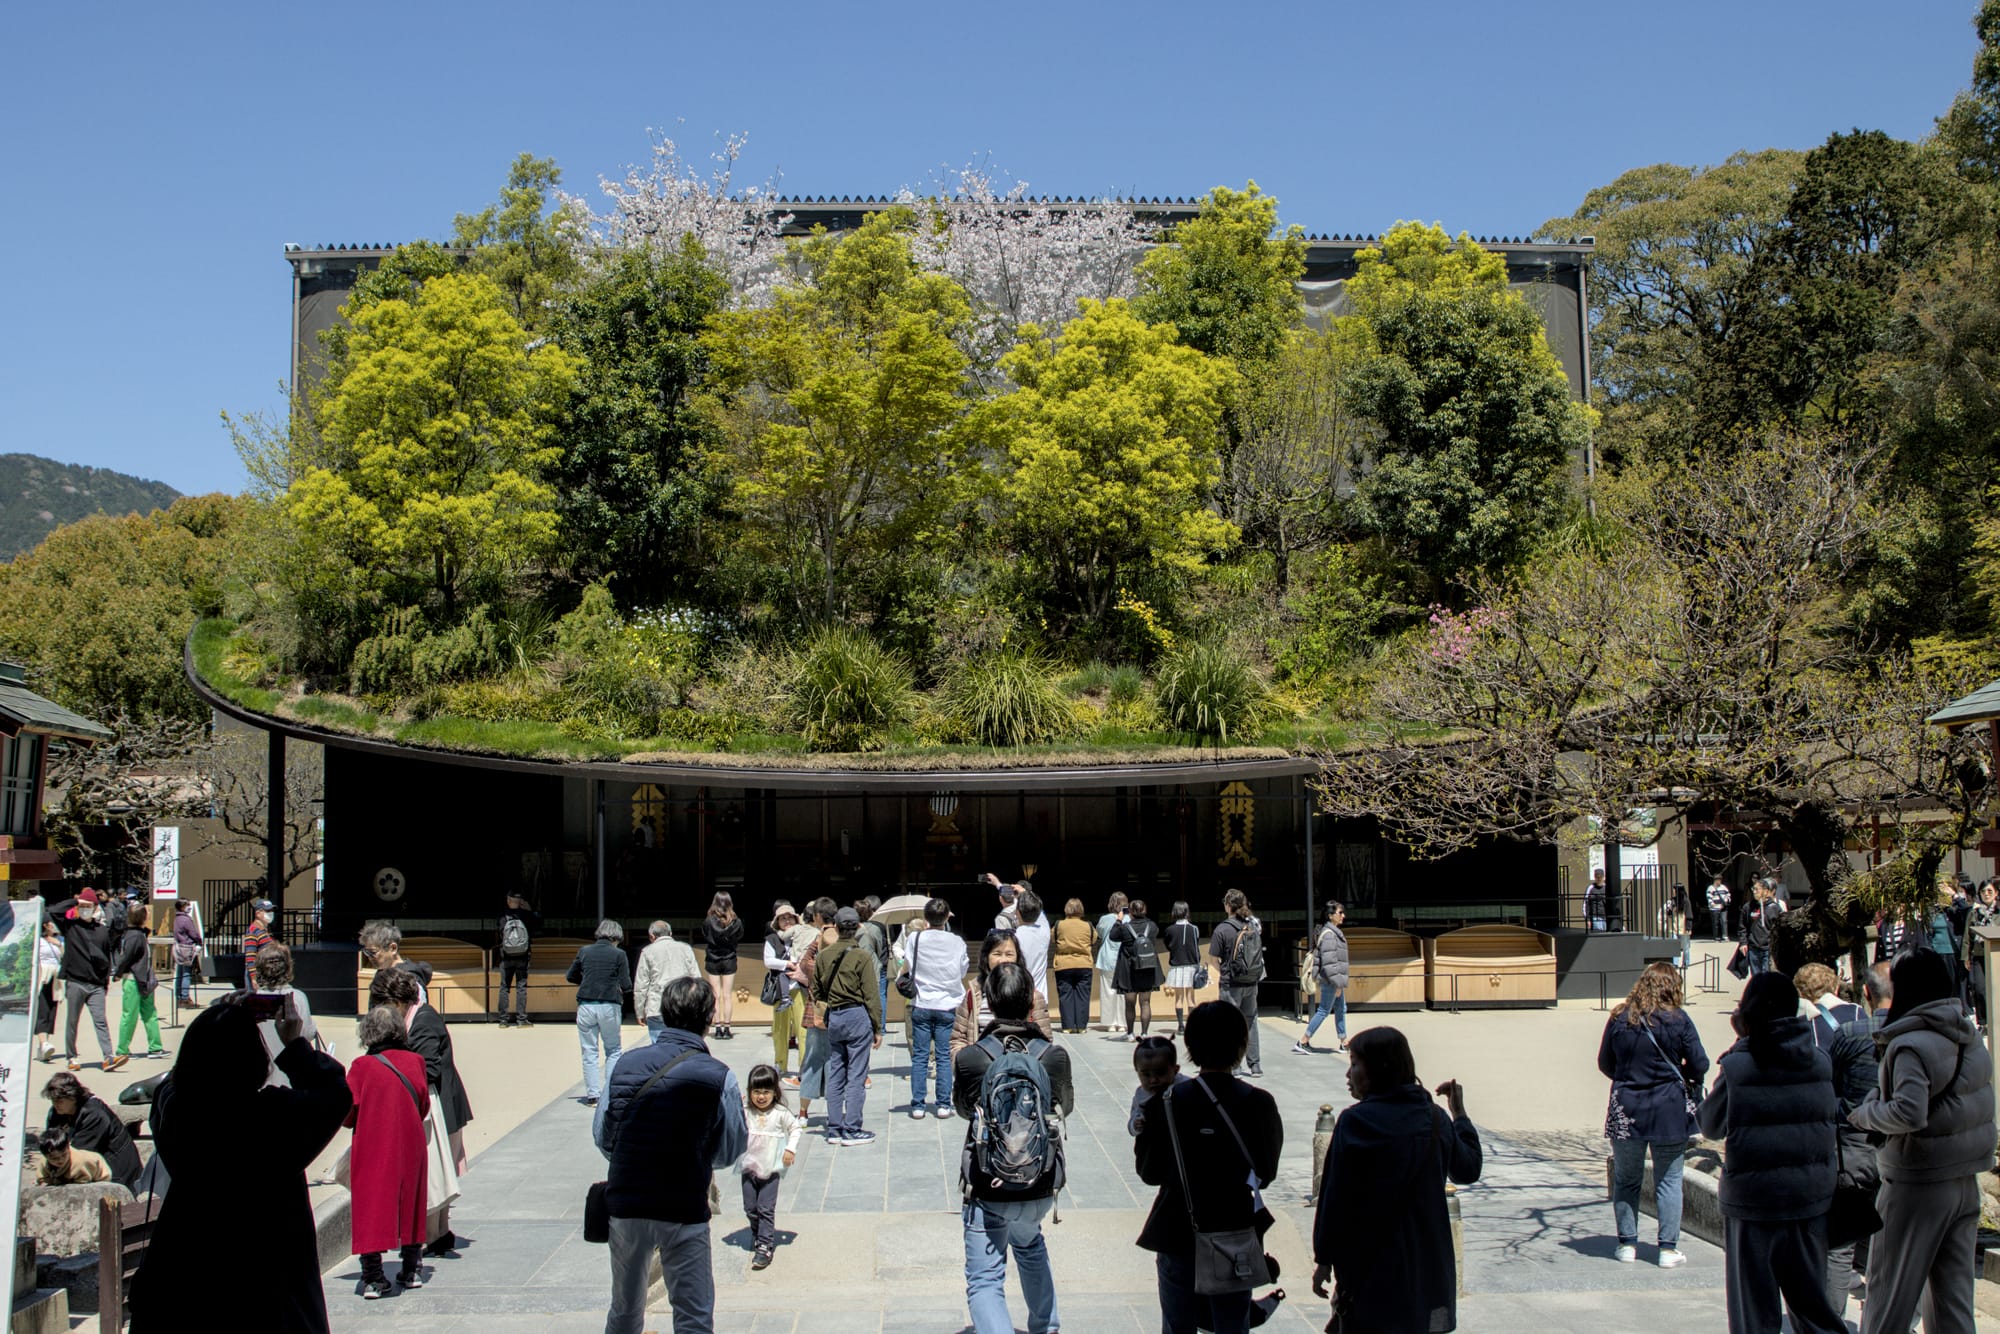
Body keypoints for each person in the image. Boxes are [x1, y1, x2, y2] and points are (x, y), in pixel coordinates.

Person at [127, 995, 351, 1334]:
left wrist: (216, 1017)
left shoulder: (178, 1116)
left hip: (185, 1280)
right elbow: (335, 1094)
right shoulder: (272, 1117)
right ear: (254, 1060)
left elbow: (175, 1083)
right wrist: (294, 1044)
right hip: (265, 1285)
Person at [1849, 948, 1997, 1334]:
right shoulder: (1968, 1036)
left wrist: (1863, 1113)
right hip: (1964, 1183)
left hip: (1916, 1185)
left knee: (1887, 1300)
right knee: (1953, 1306)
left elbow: (1907, 1113)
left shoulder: (1909, 1043)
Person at [594, 975, 747, 1334]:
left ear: (663, 1013)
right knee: (693, 1314)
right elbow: (729, 1151)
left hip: (627, 1200)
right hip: (684, 1204)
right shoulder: (719, 1076)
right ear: (710, 1019)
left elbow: (603, 1137)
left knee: (625, 1310)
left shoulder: (622, 1065)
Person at [1696, 971, 1845, 1334]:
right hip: (1810, 1198)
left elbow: (1710, 1125)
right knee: (1813, 1307)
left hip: (1754, 1203)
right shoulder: (1820, 1061)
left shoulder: (1739, 1065)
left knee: (1753, 1312)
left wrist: (1738, 1044)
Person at [1312, 1027, 1482, 1333]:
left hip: (1371, 1266)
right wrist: (1459, 1114)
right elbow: (1468, 1169)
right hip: (1426, 1267)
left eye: (1355, 1064)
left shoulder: (1355, 1121)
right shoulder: (1434, 1118)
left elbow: (1334, 1197)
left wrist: (1324, 1259)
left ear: (1379, 1067)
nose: (1348, 1074)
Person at [1137, 999, 1282, 1334]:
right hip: (1233, 1225)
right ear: (1241, 1045)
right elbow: (1266, 1172)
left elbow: (1150, 1173)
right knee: (1232, 1322)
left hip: (1178, 1226)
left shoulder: (1166, 1103)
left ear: (1189, 1047)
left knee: (1178, 1323)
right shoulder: (1259, 1102)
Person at [952, 962, 1072, 1334]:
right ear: (1031, 1003)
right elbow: (1064, 1107)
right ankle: (1045, 1327)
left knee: (986, 1280)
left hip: (988, 1185)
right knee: (1031, 1245)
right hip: (1039, 1184)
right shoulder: (1052, 1055)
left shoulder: (972, 1057)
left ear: (988, 1001)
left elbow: (961, 1108)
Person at [1598, 963, 1709, 1267]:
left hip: (1626, 1107)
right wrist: (1680, 1074)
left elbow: (1604, 1062)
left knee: (1626, 1179)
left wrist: (1627, 1078)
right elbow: (1700, 1063)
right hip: (1668, 1108)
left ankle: (1627, 1244)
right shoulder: (1679, 1020)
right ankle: (1667, 1248)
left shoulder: (1620, 1018)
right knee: (1669, 1180)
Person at [1809, 959, 1885, 1323]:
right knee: (1895, 1244)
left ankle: (1831, 1324)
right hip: (1906, 1150)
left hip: (1854, 1145)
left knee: (1840, 1246)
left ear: (1866, 993)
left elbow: (1830, 1085)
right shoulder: (1927, 1033)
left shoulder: (1851, 1034)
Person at [382, 964, 473, 1258]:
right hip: (435, 1101)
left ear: (396, 1001)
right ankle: (436, 1235)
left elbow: (428, 1067)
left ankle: (433, 1235)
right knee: (435, 1170)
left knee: (435, 1171)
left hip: (441, 1104)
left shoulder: (423, 1020)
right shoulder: (415, 1017)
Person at [345, 1003, 430, 1298]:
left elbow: (348, 1112)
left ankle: (372, 1275)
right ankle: (411, 1268)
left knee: (372, 1201)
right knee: (412, 1199)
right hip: (410, 1139)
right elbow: (423, 1103)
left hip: (373, 1140)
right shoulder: (415, 1061)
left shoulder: (361, 1067)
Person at [810, 905, 883, 1146]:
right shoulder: (862, 956)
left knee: (836, 1072)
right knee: (857, 1074)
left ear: (837, 927)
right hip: (857, 1015)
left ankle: (833, 1127)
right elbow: (871, 994)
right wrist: (877, 1027)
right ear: (858, 927)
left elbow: (817, 990)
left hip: (835, 1016)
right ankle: (852, 1128)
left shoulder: (823, 956)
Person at [900, 897, 968, 1119]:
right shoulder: (957, 941)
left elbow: (908, 963)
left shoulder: (915, 938)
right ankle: (943, 1103)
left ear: (925, 918)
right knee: (943, 1057)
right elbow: (962, 971)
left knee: (920, 1056)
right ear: (947, 917)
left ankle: (918, 1104)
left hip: (922, 1002)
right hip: (947, 1003)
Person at [738, 1062, 801, 1271]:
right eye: (757, 1092)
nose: (761, 1097)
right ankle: (758, 1233)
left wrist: (790, 1149)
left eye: (766, 1092)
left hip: (771, 1167)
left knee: (765, 1207)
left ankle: (765, 1244)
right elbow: (733, 1122)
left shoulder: (781, 1112)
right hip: (749, 1166)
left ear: (775, 1092)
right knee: (750, 1207)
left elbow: (795, 1128)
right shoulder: (746, 1111)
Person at [46, 888, 114, 1072]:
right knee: (72, 1021)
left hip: (96, 985)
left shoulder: (102, 931)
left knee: (100, 1020)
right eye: (82, 906)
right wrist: (76, 901)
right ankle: (71, 1056)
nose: (85, 909)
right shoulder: (70, 926)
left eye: (88, 906)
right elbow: (53, 911)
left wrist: (105, 983)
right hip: (75, 981)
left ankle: (109, 1056)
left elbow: (107, 959)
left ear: (95, 908)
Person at [954, 930, 1053, 1054]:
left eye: (1009, 954)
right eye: (997, 953)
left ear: (1017, 957)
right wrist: (968, 1065)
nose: (1003, 960)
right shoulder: (973, 994)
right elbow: (958, 1039)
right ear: (986, 957)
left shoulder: (1032, 995)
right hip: (982, 1069)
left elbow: (1044, 1041)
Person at [568, 919, 633, 1106]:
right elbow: (626, 984)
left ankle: (593, 1095)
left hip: (586, 1004)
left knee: (589, 1051)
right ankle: (609, 1093)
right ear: (616, 937)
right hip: (609, 1004)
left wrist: (587, 980)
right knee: (613, 1050)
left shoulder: (584, 951)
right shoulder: (619, 954)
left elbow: (570, 975)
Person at [41, 1070, 141, 1189]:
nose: (56, 1104)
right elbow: (51, 1145)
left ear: (73, 1098)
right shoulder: (57, 1113)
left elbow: (78, 1154)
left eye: (60, 1101)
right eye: (53, 1101)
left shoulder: (94, 1114)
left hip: (116, 1172)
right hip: (87, 1168)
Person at [785, 898, 836, 1119]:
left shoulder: (820, 938)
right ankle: (836, 1110)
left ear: (817, 916)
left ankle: (804, 1112)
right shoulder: (846, 937)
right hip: (842, 1008)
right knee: (837, 1060)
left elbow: (805, 962)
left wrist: (816, 968)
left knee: (813, 1060)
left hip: (818, 1008)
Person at [1210, 890, 1266, 1078]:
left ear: (1228, 905)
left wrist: (1222, 974)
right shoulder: (1252, 925)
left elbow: (1213, 959)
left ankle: (1234, 1064)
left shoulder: (1222, 929)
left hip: (1230, 983)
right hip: (1251, 981)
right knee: (1250, 1021)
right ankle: (1255, 1065)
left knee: (1229, 1024)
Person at [635, 921, 701, 1044]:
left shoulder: (647, 951)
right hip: (682, 1004)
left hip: (657, 1006)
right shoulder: (685, 948)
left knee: (659, 1046)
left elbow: (641, 985)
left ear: (652, 936)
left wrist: (639, 1011)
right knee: (682, 1045)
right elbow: (696, 978)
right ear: (671, 934)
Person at [1295, 901, 1348, 1055]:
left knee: (1340, 1008)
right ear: (1331, 916)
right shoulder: (1330, 935)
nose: (1343, 916)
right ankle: (1303, 1040)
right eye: (1340, 913)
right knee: (1324, 1010)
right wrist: (1338, 984)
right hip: (1331, 980)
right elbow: (1330, 964)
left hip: (1333, 979)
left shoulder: (1331, 932)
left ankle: (1344, 1041)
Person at [253, 942, 322, 1052]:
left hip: (262, 1063)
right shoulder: (297, 997)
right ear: (288, 967)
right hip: (291, 1061)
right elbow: (307, 1034)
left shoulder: (253, 999)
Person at [1112, 899, 1163, 1037]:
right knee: (1145, 1002)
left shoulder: (1125, 928)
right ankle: (1145, 1033)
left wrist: (1118, 920)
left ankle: (1130, 1033)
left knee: (1130, 1004)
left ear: (1131, 912)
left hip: (1129, 970)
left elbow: (1112, 936)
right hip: (1147, 968)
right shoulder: (1152, 926)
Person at [763, 903, 804, 1076]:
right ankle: (780, 1063)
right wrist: (787, 964)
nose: (787, 921)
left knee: (804, 1030)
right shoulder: (772, 940)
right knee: (780, 1030)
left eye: (790, 917)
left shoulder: (803, 936)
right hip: (781, 990)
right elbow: (768, 961)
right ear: (777, 922)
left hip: (800, 988)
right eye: (782, 918)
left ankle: (804, 1066)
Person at [1128, 1034, 1189, 1137]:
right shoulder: (1141, 1095)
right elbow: (1133, 1121)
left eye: (1160, 1073)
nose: (1153, 1080)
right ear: (1137, 1072)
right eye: (1146, 1075)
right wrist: (1135, 1125)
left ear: (1175, 1069)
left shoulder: (1185, 1087)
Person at [1050, 899, 1096, 1034]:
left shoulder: (1059, 925)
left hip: (1064, 964)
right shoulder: (1088, 925)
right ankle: (1081, 1026)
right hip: (1084, 963)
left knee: (1065, 995)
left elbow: (1053, 939)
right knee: (1083, 995)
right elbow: (1094, 939)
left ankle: (1067, 1026)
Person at [496, 892, 541, 1027]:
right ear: (520, 901)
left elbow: (499, 932)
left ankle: (503, 1020)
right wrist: (530, 910)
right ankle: (521, 1019)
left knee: (504, 987)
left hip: (506, 956)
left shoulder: (502, 916)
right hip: (523, 956)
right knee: (521, 987)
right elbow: (538, 925)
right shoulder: (526, 915)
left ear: (508, 900)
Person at [704, 892, 743, 1041]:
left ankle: (717, 1027)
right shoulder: (736, 922)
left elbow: (705, 935)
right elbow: (739, 936)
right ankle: (727, 1028)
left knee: (716, 995)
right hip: (729, 958)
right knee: (727, 996)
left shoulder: (708, 921)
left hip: (713, 958)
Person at [1161, 902, 1201, 1037]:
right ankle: (1192, 1026)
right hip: (1191, 965)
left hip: (1176, 965)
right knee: (1191, 998)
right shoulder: (1194, 928)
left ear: (1174, 912)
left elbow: (1168, 945)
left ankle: (1181, 1026)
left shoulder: (1169, 930)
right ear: (1187, 912)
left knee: (1178, 998)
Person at [1095, 893, 1128, 1035]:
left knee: (1108, 991)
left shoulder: (1104, 919)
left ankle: (1110, 1023)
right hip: (1124, 958)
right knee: (1123, 992)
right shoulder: (1128, 919)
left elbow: (1100, 934)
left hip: (1107, 957)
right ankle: (1122, 1023)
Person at [855, 895, 892, 1020]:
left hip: (859, 964)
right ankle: (880, 1027)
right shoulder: (882, 924)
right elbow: (881, 945)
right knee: (881, 994)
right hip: (880, 962)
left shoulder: (854, 928)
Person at [1013, 889, 1052, 1003]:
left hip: (1018, 996)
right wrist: (1025, 892)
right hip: (1040, 997)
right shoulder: (1045, 932)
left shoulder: (1013, 938)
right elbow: (1041, 913)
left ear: (1017, 913)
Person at [36, 1126, 111, 1185]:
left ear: (68, 1147)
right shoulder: (44, 1162)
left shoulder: (79, 1163)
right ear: (46, 1156)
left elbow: (83, 1185)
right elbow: (42, 1179)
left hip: (96, 1177)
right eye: (54, 1158)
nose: (60, 1160)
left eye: (64, 1155)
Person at [34, 919, 61, 1062]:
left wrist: (58, 945)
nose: (53, 925)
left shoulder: (57, 940)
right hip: (43, 976)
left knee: (51, 1011)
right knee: (42, 1010)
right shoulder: (38, 941)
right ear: (45, 925)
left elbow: (62, 957)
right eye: (51, 923)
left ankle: (43, 1047)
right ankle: (44, 1043)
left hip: (55, 978)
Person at [1738, 883, 1779, 976]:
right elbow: (1742, 927)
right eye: (1753, 889)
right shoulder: (1748, 907)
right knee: (1756, 977)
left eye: (1757, 889)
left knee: (1767, 976)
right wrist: (1743, 942)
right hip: (1753, 948)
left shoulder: (1774, 908)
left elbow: (1779, 928)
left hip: (1768, 949)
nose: (1754, 891)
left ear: (1766, 891)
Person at [171, 899, 202, 1006]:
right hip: (187, 947)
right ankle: (185, 997)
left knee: (180, 973)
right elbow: (193, 933)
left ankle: (179, 996)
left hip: (178, 947)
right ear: (182, 907)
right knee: (186, 973)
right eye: (187, 905)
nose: (189, 906)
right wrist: (199, 941)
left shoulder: (177, 918)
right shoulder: (186, 919)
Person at [244, 897, 277, 975]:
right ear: (258, 913)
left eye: (272, 910)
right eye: (267, 911)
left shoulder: (264, 930)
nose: (271, 913)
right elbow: (250, 955)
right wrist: (253, 977)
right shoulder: (253, 930)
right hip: (258, 973)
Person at [1707, 874, 1733, 942]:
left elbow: (1728, 895)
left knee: (1724, 921)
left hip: (1723, 907)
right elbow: (1709, 897)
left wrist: (1726, 901)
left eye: (1720, 880)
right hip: (1714, 908)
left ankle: (1725, 936)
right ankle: (1715, 937)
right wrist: (1713, 904)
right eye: (1718, 880)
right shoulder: (1711, 888)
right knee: (1715, 923)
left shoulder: (1723, 887)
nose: (1719, 881)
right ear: (1715, 880)